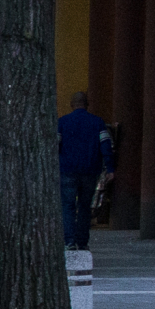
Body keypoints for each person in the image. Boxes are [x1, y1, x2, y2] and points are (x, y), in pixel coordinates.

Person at [58, 90, 116, 250]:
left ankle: (69, 241)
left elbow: (56, 145)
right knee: (84, 206)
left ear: (72, 104)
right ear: (87, 104)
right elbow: (106, 146)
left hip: (67, 169)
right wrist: (110, 168)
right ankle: (82, 241)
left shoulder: (62, 122)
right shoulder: (97, 122)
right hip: (90, 170)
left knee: (68, 205)